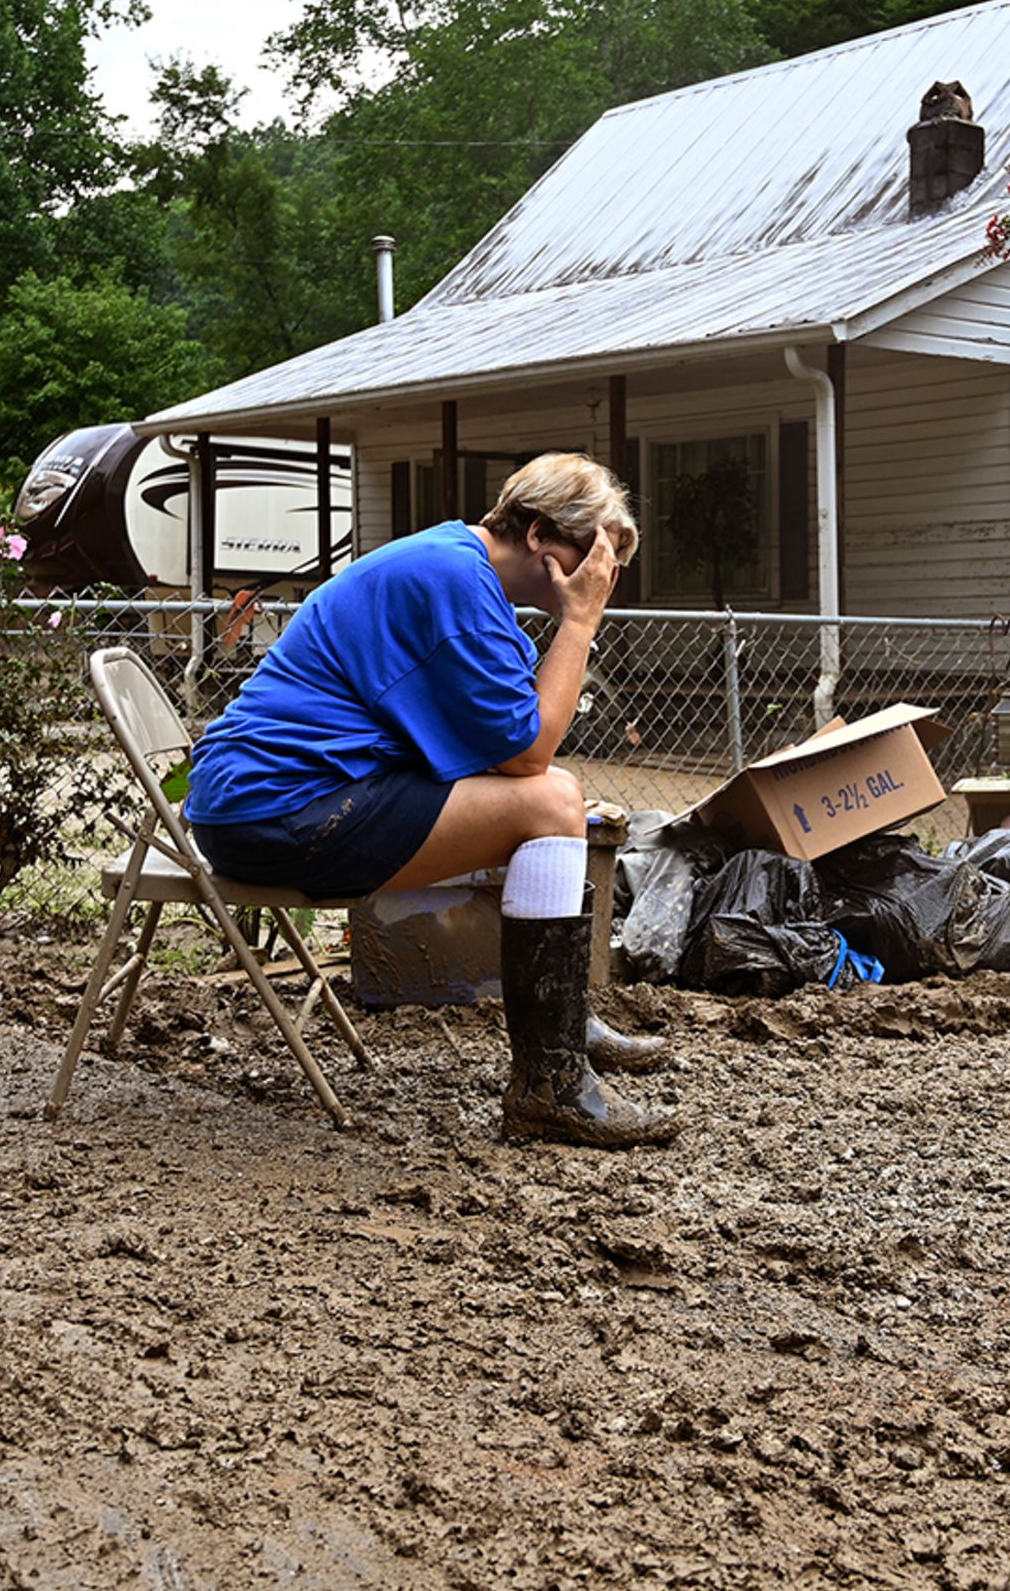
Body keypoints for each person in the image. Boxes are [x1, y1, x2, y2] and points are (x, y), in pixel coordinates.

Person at [182, 452, 674, 1149]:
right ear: (538, 535)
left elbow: (502, 746)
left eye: (611, 565)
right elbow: (529, 751)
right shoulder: (452, 582)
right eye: (591, 554)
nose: (603, 576)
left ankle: (559, 1027)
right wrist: (580, 622)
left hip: (282, 797)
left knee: (551, 798)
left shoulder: (459, 570)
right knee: (551, 801)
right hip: (279, 810)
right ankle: (550, 1081)